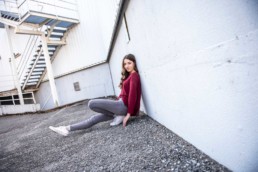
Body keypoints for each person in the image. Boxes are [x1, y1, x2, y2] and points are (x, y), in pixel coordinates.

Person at [49, 54, 142, 136]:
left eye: (129, 63)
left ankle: (120, 115)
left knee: (91, 103)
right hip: (120, 105)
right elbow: (123, 93)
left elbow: (132, 96)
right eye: (125, 64)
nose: (127, 66)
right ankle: (67, 128)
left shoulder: (134, 76)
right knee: (94, 119)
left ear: (134, 63)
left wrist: (128, 115)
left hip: (123, 107)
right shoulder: (129, 75)